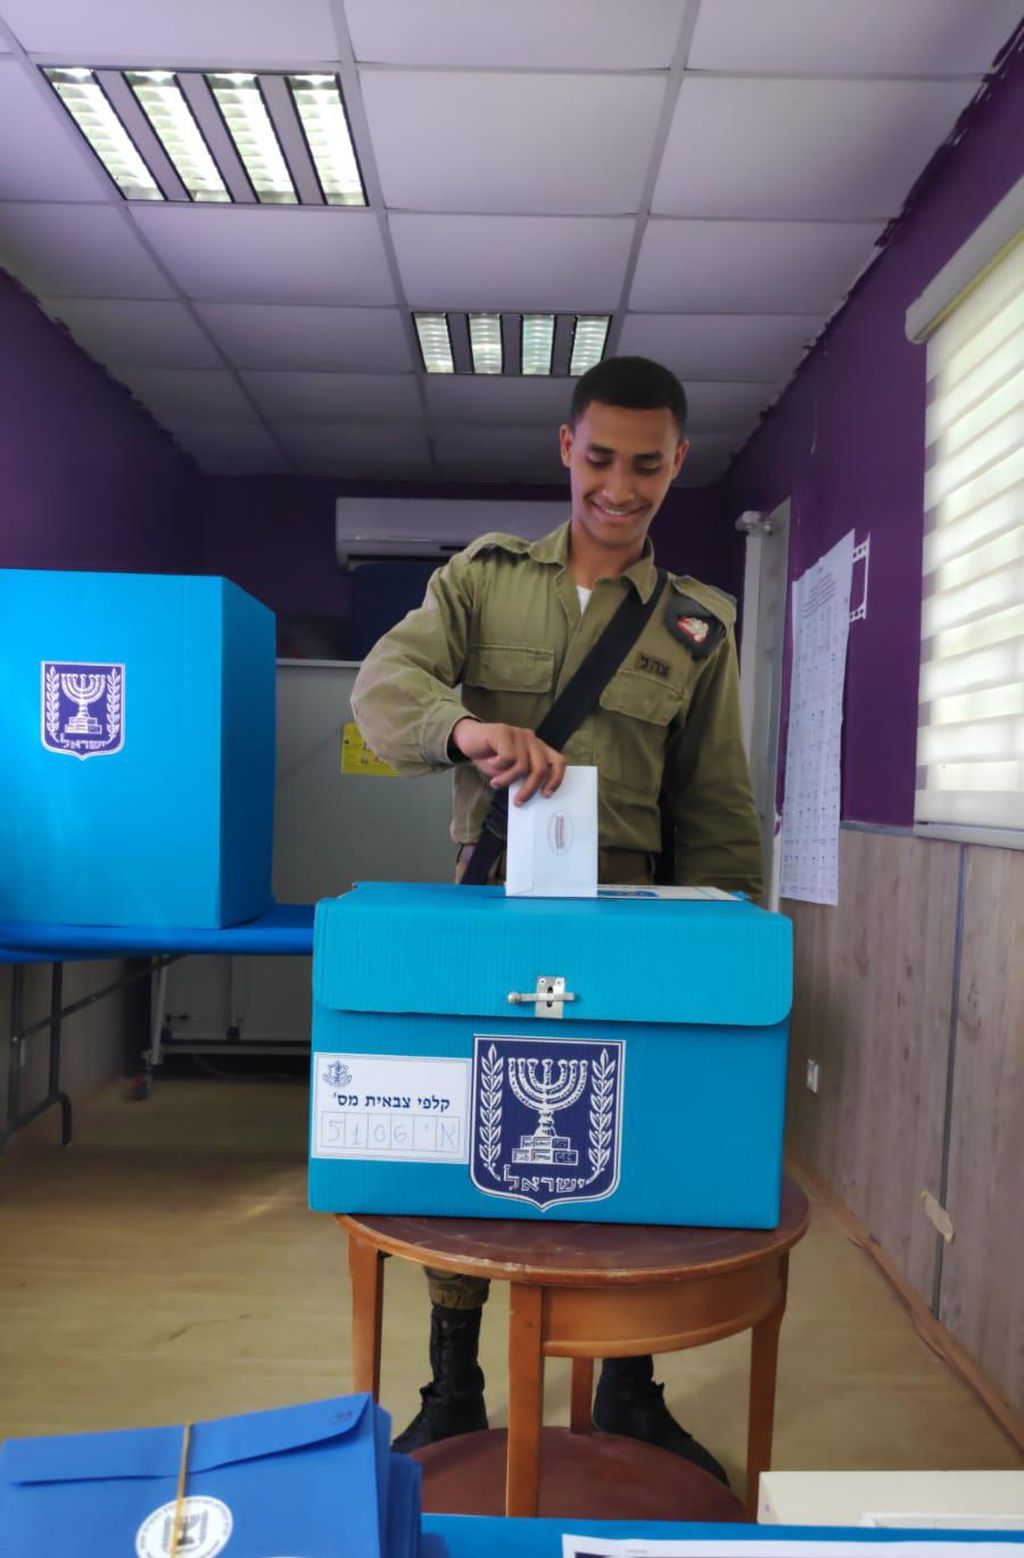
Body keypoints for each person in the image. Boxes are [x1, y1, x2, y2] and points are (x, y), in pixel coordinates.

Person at [351, 355, 762, 1485]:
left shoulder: (696, 625)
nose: (618, 486)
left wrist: (741, 952)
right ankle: (453, 1384)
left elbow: (716, 799)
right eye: (598, 458)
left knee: (639, 1137)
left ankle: (628, 1385)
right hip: (490, 905)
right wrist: (464, 729)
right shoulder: (480, 583)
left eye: (646, 464)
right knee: (472, 1131)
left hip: (638, 914)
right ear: (564, 449)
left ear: (676, 463)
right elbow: (383, 694)